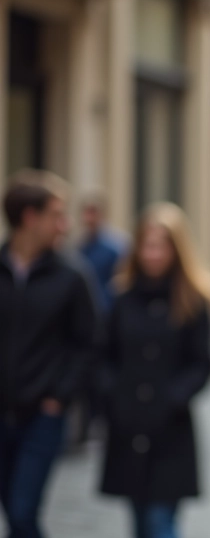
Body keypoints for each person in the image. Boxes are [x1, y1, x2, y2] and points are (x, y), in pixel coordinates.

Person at [97, 203, 210, 538]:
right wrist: (112, 395)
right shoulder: (121, 298)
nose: (153, 254)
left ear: (177, 250)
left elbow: (203, 362)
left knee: (160, 521)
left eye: (161, 246)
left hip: (170, 429)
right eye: (147, 245)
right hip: (128, 425)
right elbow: (104, 354)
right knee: (138, 521)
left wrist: (174, 398)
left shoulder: (192, 300)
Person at [1, 170, 98, 538]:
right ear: (30, 217)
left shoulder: (72, 276)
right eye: (57, 215)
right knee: (13, 510)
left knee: (23, 512)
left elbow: (89, 342)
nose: (65, 225)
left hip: (42, 416)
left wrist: (60, 396)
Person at [70, 194, 127, 448]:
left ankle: (103, 420)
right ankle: (87, 425)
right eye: (86, 213)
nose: (88, 218)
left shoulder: (115, 247)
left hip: (107, 319)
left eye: (92, 212)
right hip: (86, 321)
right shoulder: (80, 248)